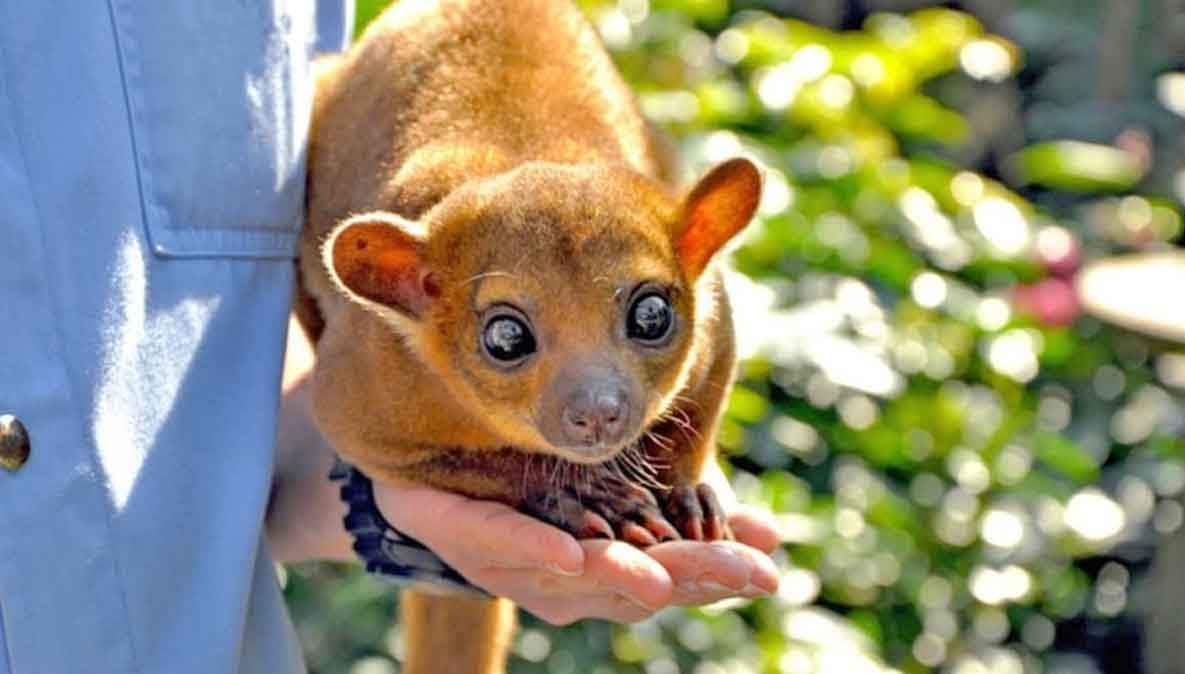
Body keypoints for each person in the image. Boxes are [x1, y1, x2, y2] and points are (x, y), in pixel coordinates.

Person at [0, 2, 780, 672]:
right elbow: (352, 416)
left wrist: (682, 468)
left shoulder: (668, 266)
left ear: (699, 247)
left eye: (648, 320)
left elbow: (698, 314)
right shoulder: (407, 322)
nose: (602, 406)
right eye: (510, 338)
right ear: (409, 291)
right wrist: (523, 483)